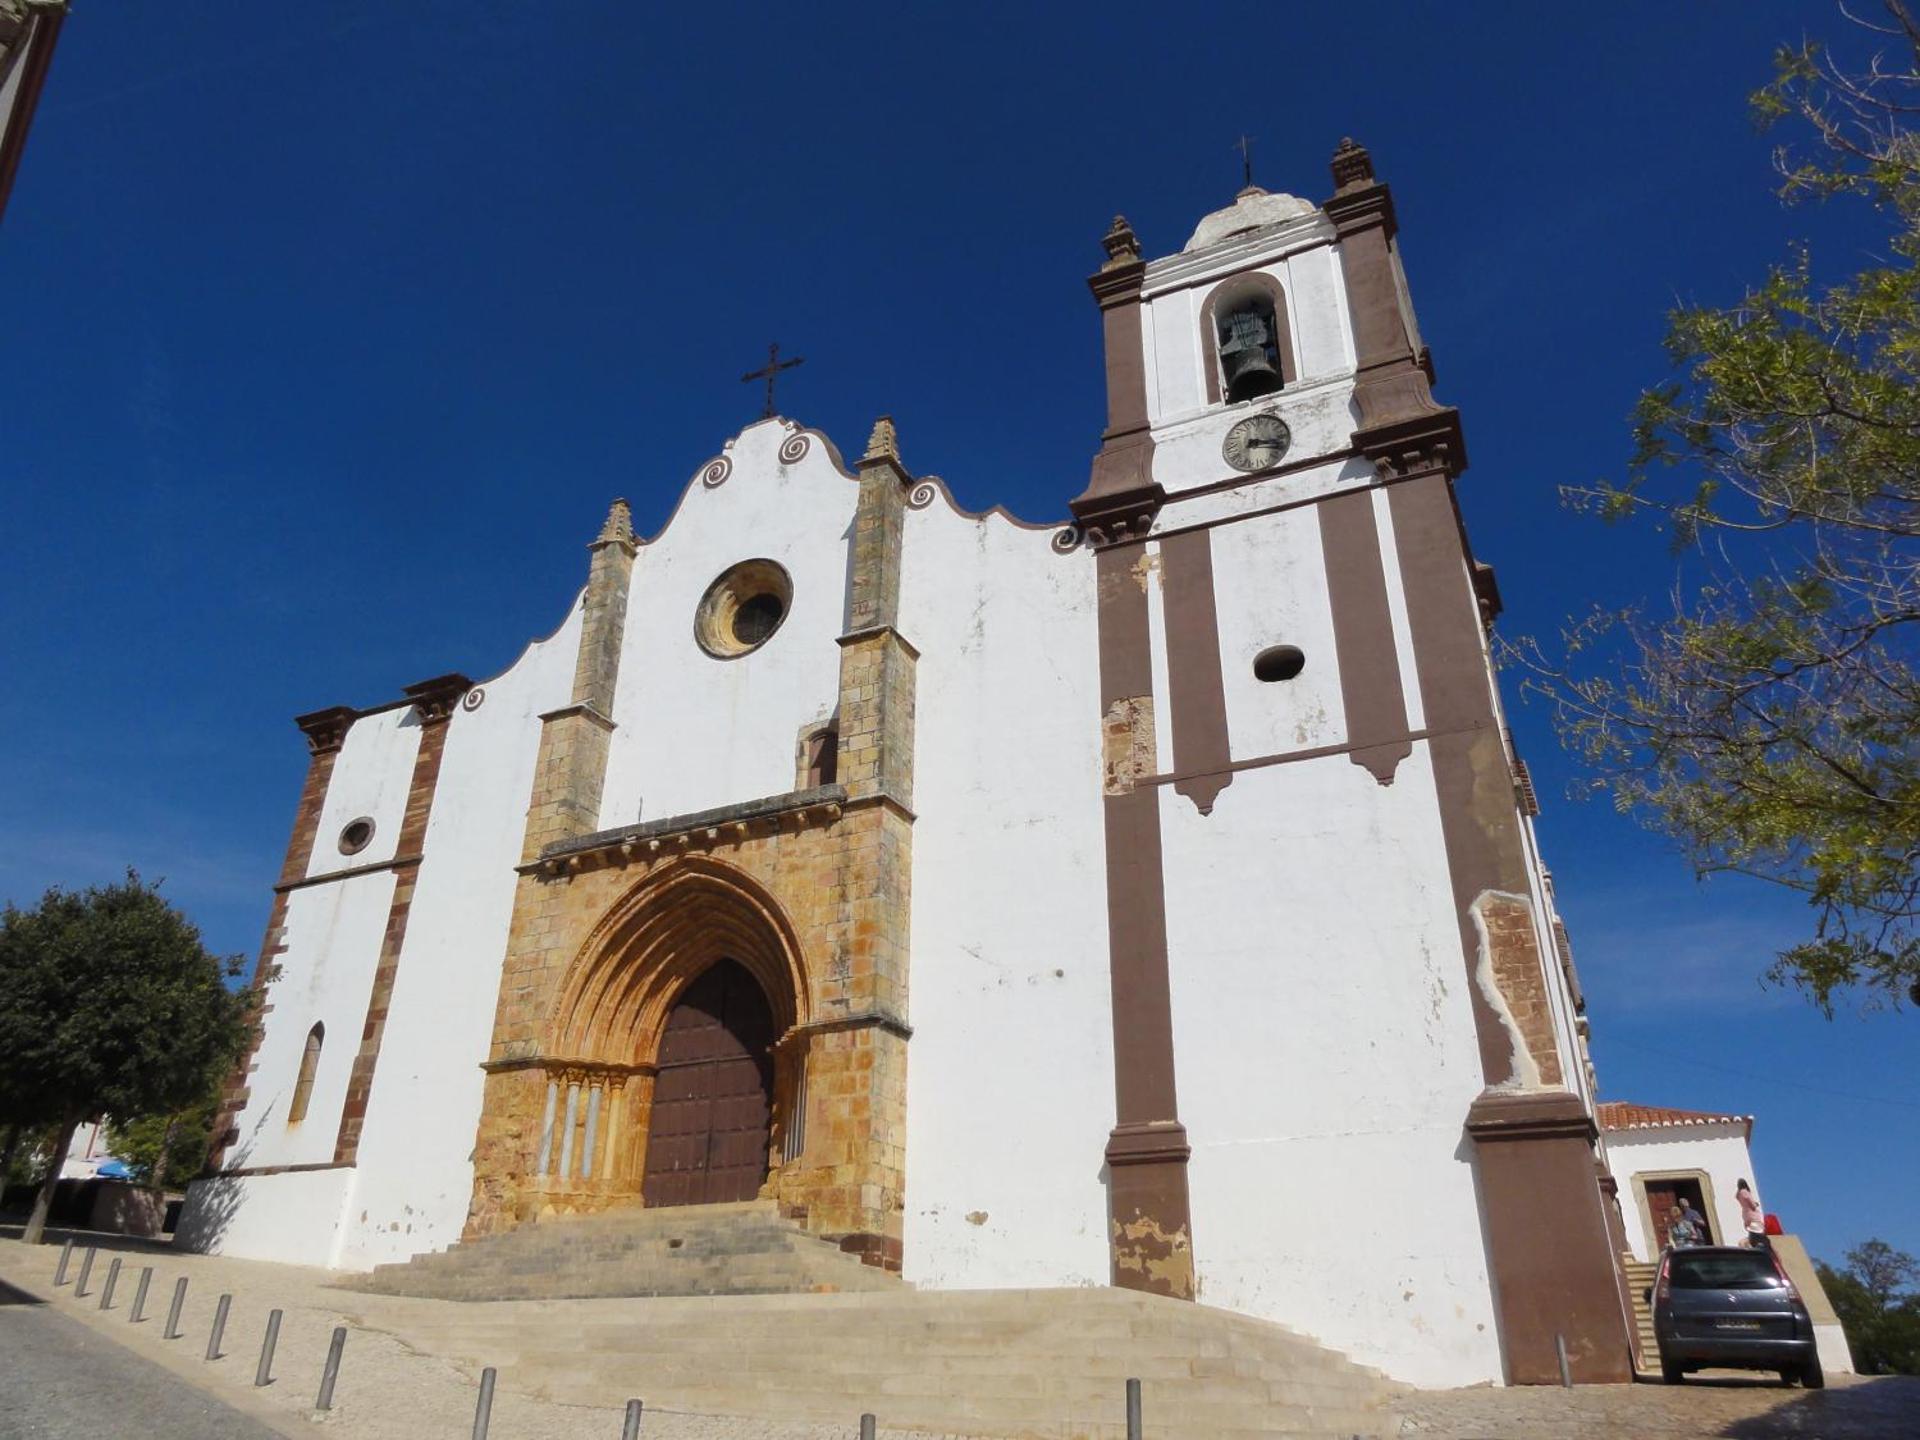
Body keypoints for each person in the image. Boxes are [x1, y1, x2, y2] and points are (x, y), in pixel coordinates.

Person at [1737, 1179, 1769, 1250]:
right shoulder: (1745, 1192)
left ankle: (1752, 1244)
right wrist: (1755, 1205)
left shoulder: (1738, 1194)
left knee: (1753, 1232)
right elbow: (1752, 1205)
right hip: (1753, 1216)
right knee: (1758, 1233)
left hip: (1746, 1215)